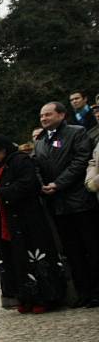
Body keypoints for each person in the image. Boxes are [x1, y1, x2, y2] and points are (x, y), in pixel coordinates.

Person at [0, 133, 63, 313]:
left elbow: (29, 185)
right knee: (15, 259)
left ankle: (44, 298)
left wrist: (2, 193)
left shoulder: (20, 160)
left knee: (34, 256)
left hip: (27, 217)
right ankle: (23, 297)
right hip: (5, 220)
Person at [35, 101, 99, 307]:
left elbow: (81, 161)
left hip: (80, 201)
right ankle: (83, 292)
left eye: (48, 114)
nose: (44, 118)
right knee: (72, 252)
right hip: (57, 205)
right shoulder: (41, 140)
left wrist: (59, 183)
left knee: (91, 247)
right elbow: (36, 165)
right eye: (41, 116)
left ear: (61, 115)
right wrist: (42, 185)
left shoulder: (76, 132)